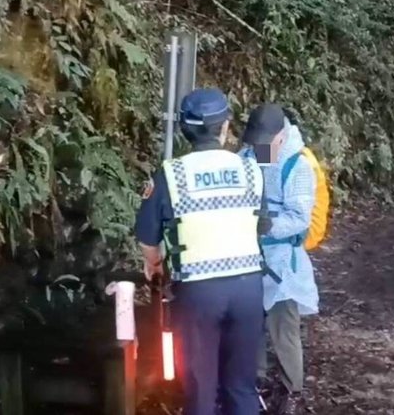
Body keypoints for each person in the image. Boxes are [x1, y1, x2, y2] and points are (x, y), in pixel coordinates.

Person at [134, 88, 266, 415]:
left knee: (200, 389)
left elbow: (148, 236)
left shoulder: (171, 174)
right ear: (224, 127)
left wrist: (156, 264)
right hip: (249, 288)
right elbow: (262, 226)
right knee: (241, 386)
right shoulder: (250, 169)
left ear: (184, 130)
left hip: (198, 292)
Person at [240, 103, 318, 414]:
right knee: (250, 321)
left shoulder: (296, 165)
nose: (259, 148)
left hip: (282, 260)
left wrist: (269, 227)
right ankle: (254, 381)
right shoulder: (251, 155)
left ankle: (291, 389)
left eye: (265, 142)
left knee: (283, 327)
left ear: (282, 137)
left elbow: (300, 216)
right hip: (247, 255)